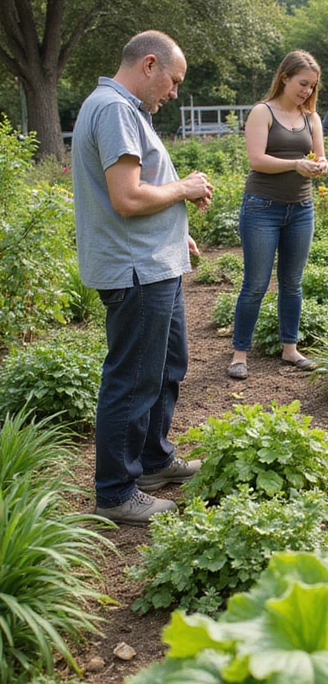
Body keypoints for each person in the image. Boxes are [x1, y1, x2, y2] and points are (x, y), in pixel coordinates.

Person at [72, 30, 213, 525]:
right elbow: (127, 198)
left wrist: (176, 233)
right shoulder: (113, 110)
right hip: (137, 270)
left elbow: (136, 195)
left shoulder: (124, 109)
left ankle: (153, 461)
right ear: (149, 64)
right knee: (132, 379)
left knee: (166, 367)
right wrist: (185, 188)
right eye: (172, 81)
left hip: (155, 260)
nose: (173, 92)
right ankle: (115, 492)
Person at [228, 50, 328, 380]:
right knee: (255, 284)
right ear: (284, 77)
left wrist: (319, 165)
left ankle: (290, 349)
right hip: (262, 208)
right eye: (302, 84)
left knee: (292, 283)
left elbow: (320, 156)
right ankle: (239, 353)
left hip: (301, 208)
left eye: (312, 86)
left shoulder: (311, 117)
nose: (306, 92)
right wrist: (295, 164)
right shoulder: (262, 112)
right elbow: (257, 160)